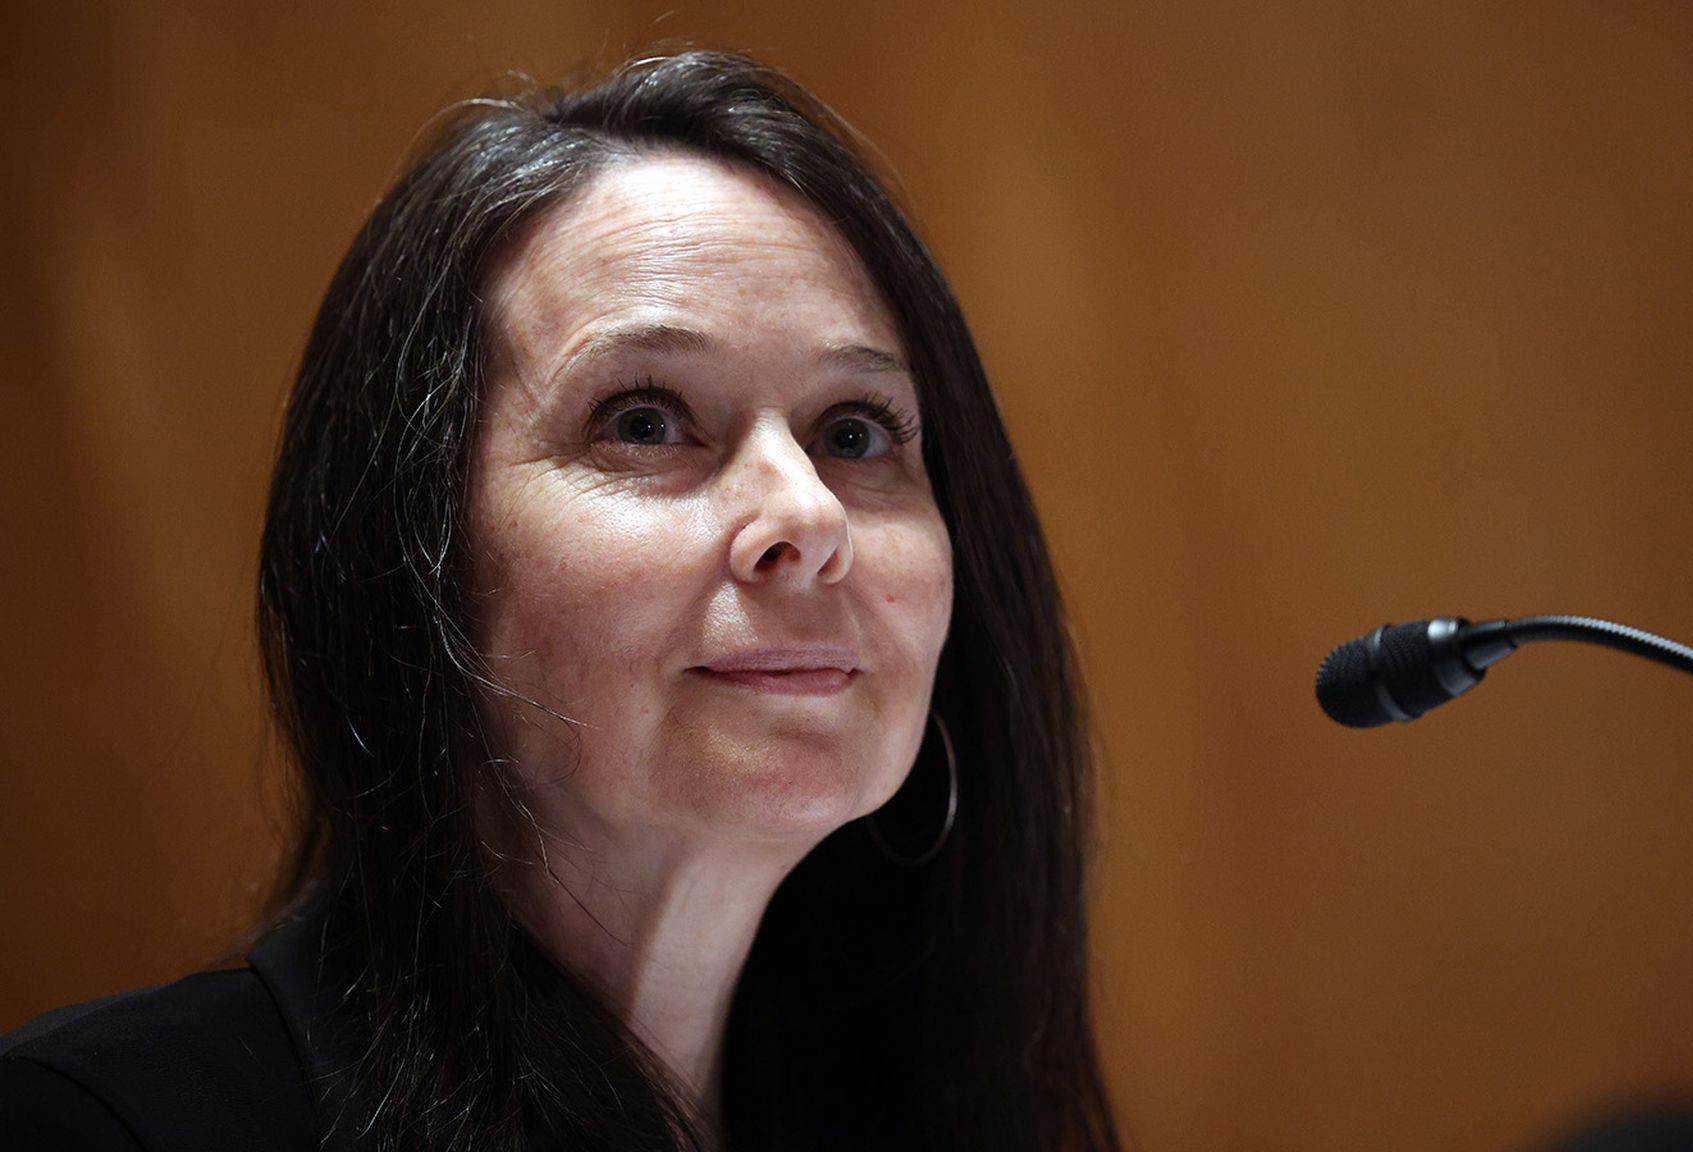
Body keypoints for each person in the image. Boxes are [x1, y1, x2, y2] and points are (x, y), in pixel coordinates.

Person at [0, 50, 1122, 1152]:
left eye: (854, 433)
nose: (810, 515)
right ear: (414, 552)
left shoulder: (932, 1112)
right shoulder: (96, 1123)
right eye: (644, 420)